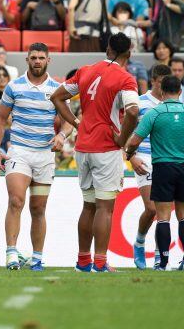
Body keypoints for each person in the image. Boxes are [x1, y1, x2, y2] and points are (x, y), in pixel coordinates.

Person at [51, 33, 140, 273]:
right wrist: (122, 139)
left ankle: (82, 262)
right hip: (106, 148)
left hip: (83, 147)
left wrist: (77, 123)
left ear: (108, 49)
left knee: (88, 206)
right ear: (129, 54)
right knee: (105, 208)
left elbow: (57, 97)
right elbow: (133, 112)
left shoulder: (86, 70)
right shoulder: (126, 78)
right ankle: (100, 262)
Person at [0, 43, 66, 270]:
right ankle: (11, 253)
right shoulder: (14, 87)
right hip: (20, 152)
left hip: (44, 154)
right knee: (16, 201)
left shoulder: (58, 89)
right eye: (33, 57)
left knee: (38, 209)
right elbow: (1, 119)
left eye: (41, 57)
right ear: (27, 60)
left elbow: (68, 120)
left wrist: (61, 135)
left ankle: (37, 258)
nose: (37, 61)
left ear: (48, 60)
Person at [125, 74, 184, 271]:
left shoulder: (154, 113)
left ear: (162, 92)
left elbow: (134, 141)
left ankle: (163, 262)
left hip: (163, 167)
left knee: (163, 216)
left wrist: (129, 153)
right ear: (180, 92)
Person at [129, 64, 171, 269]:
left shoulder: (173, 103)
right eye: (161, 82)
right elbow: (126, 131)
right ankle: (139, 241)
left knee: (164, 212)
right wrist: (132, 156)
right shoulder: (140, 102)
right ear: (153, 81)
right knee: (152, 208)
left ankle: (158, 254)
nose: (164, 87)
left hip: (168, 159)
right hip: (144, 157)